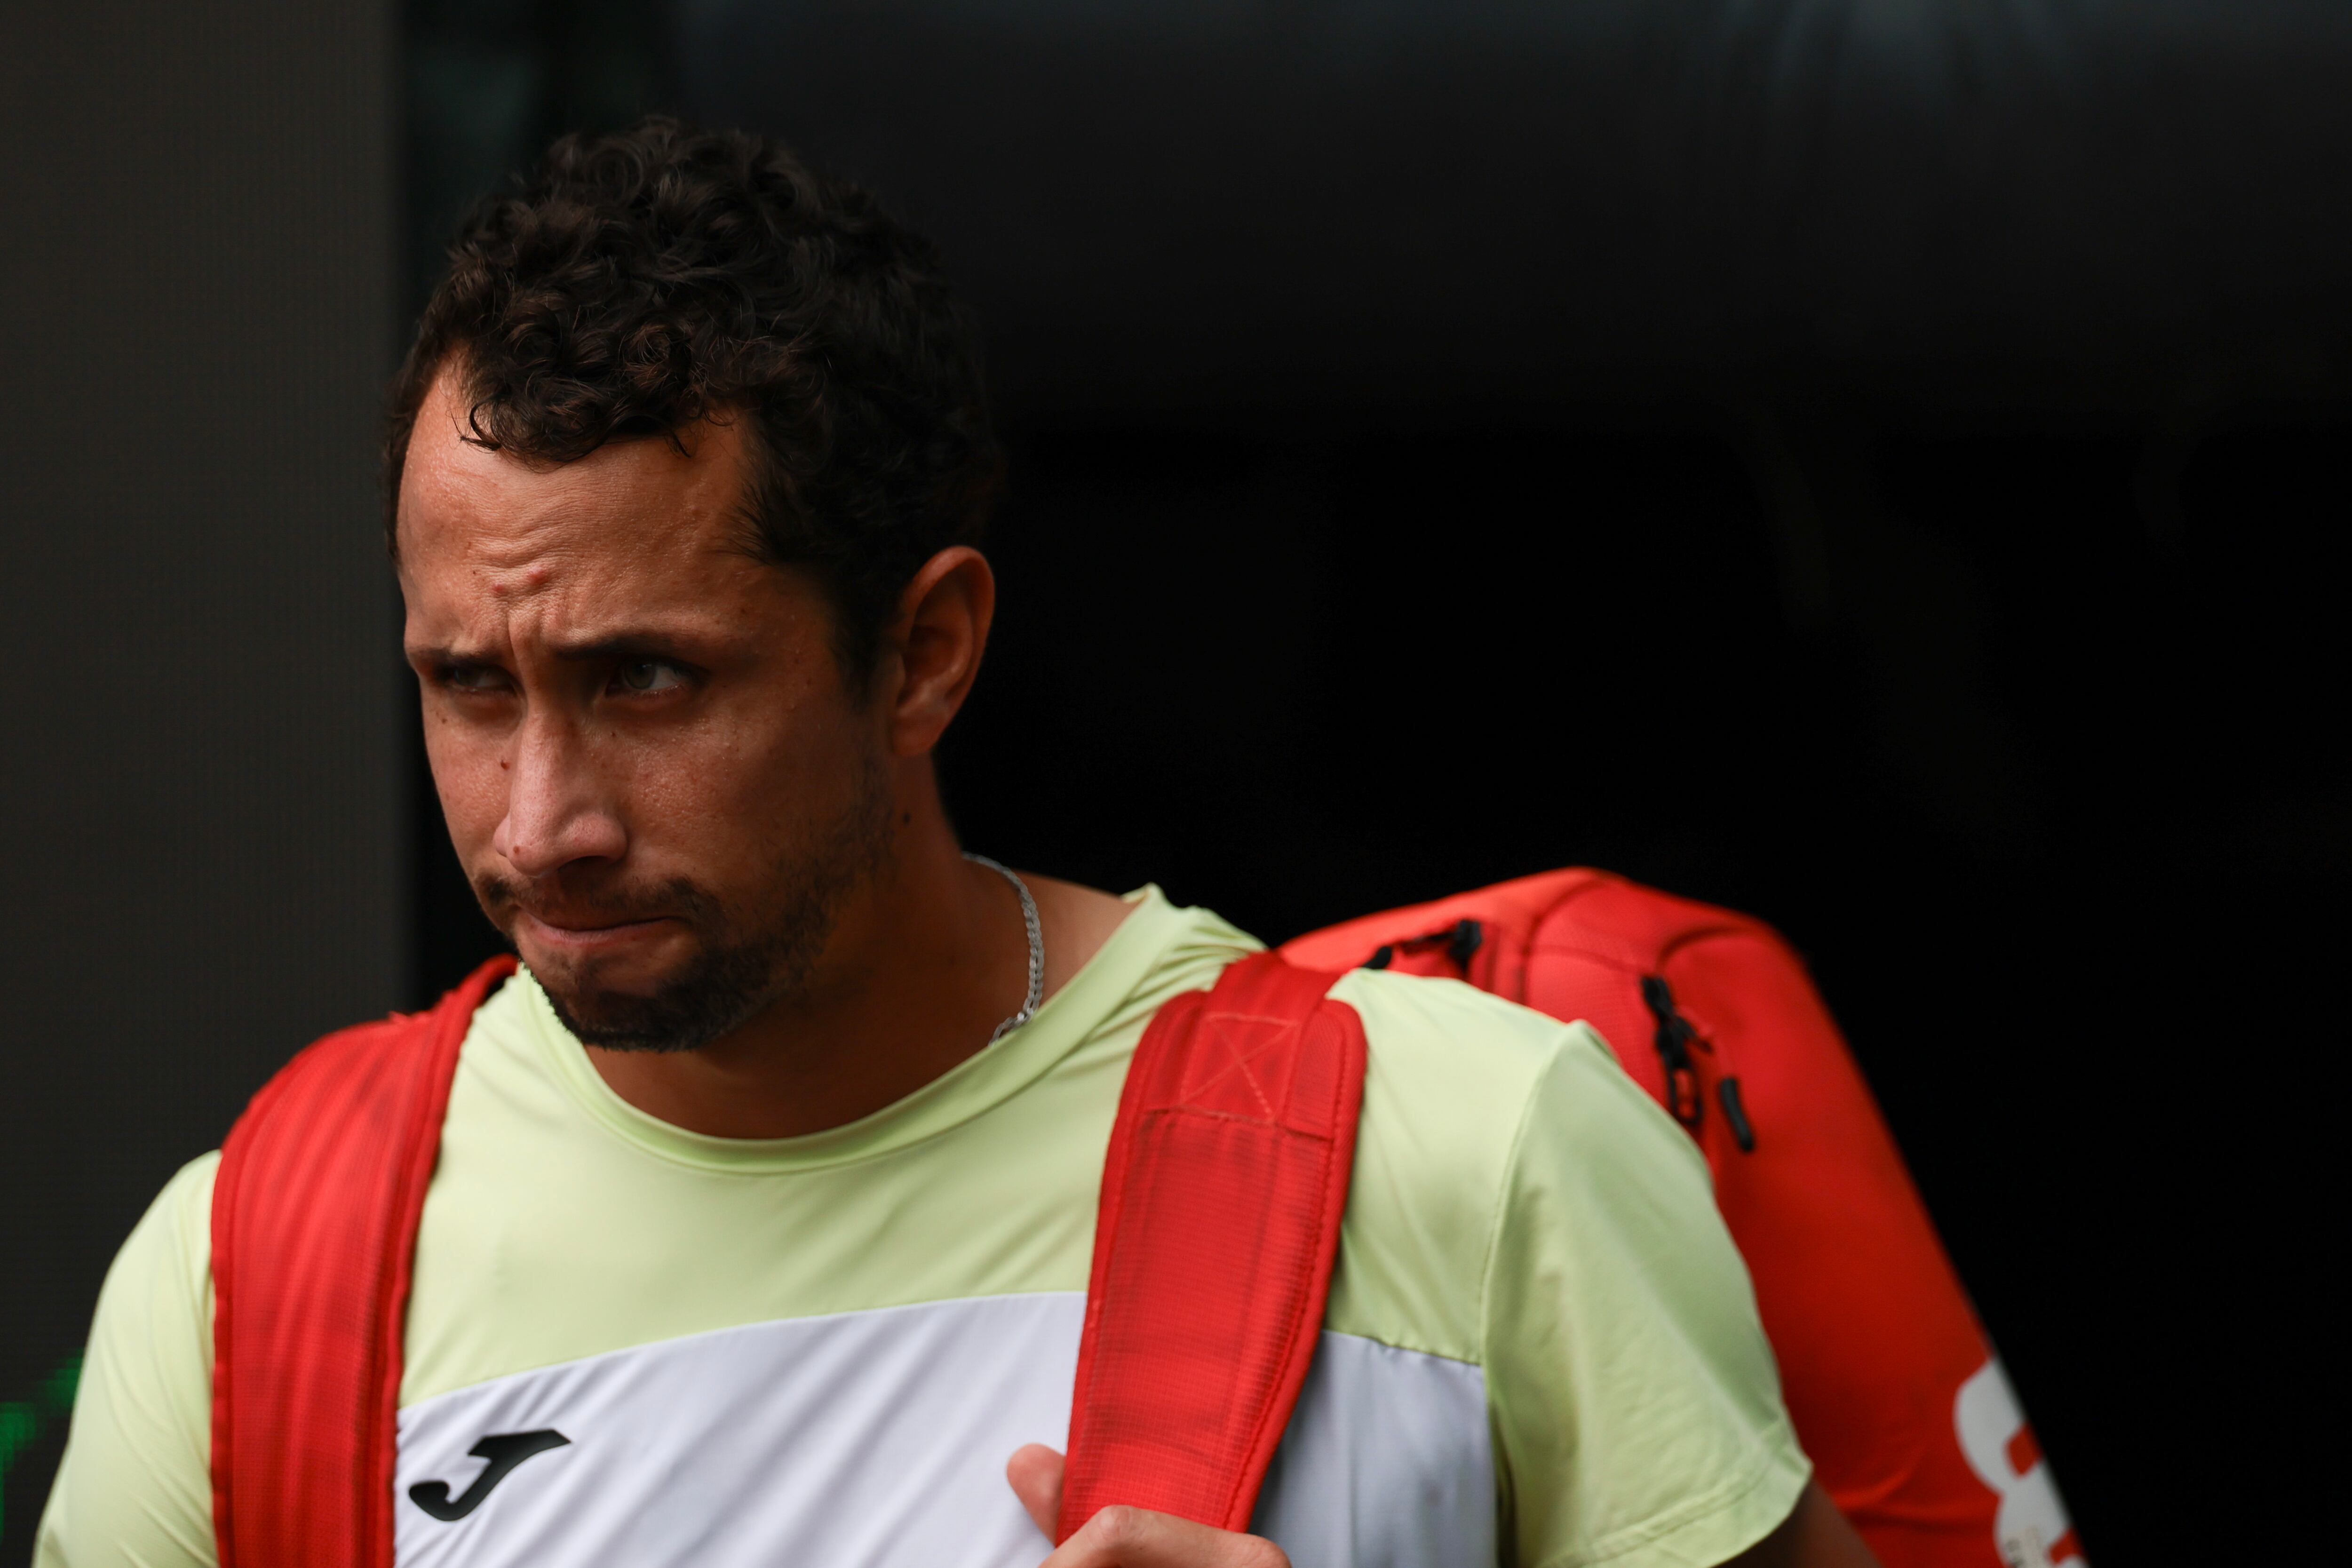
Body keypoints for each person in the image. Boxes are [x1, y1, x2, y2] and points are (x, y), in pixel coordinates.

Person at [36, 118, 1875, 1568]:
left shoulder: (1469, 1157)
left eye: (649, 681)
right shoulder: (254, 1276)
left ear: (922, 654)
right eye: (469, 687)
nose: (541, 822)